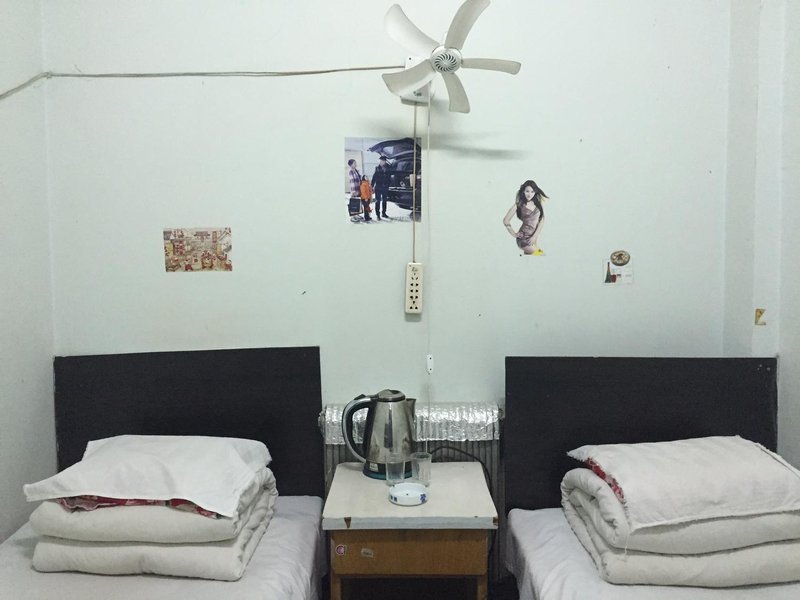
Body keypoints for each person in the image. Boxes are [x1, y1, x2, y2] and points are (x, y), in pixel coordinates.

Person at [503, 179, 549, 255]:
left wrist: (534, 236)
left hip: (533, 238)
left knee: (531, 260)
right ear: (523, 191)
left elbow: (541, 220)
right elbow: (505, 220)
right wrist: (514, 234)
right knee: (541, 254)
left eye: (532, 192)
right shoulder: (519, 204)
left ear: (535, 192)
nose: (529, 194)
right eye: (527, 191)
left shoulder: (538, 204)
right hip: (524, 239)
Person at [372, 155, 391, 219]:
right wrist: (372, 186)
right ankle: (378, 215)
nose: (381, 162)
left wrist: (388, 185)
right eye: (380, 161)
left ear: (385, 161)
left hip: (385, 187)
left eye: (382, 161)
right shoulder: (377, 168)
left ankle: (384, 213)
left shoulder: (389, 167)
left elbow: (390, 177)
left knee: (384, 201)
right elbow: (374, 177)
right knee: (378, 201)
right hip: (378, 187)